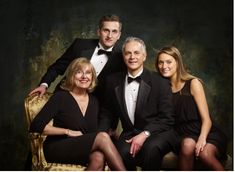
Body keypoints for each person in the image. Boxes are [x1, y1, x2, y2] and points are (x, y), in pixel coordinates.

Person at [29, 58, 126, 171]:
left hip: (81, 148)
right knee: (102, 137)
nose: (84, 76)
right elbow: (36, 126)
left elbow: (92, 132)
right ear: (71, 75)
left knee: (98, 157)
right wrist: (67, 131)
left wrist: (112, 133)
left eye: (88, 73)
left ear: (92, 78)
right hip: (57, 147)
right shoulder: (60, 97)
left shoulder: (94, 101)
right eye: (79, 72)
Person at [98, 37, 177, 170]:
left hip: (158, 132)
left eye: (136, 53)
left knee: (151, 149)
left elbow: (166, 118)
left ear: (144, 56)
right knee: (120, 152)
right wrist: (101, 133)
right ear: (123, 56)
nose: (132, 57)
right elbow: (107, 112)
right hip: (129, 133)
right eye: (128, 53)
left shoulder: (160, 82)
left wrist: (145, 134)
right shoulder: (112, 81)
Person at [155, 46, 228, 170]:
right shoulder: (161, 89)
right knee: (188, 144)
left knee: (205, 154)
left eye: (168, 61)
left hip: (206, 131)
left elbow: (207, 120)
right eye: (160, 62)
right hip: (181, 135)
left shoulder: (193, 83)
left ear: (177, 63)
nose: (164, 66)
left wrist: (202, 139)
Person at [29, 14, 126, 103]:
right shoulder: (80, 45)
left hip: (94, 107)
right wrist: (44, 85)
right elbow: (58, 67)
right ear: (99, 31)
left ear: (119, 35)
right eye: (106, 30)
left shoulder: (121, 58)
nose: (110, 35)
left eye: (114, 31)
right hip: (65, 98)